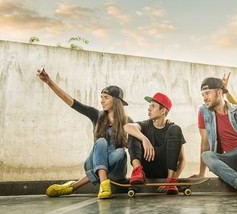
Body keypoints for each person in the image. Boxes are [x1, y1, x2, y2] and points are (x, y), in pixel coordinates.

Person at [37, 67, 132, 199]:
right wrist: (49, 82)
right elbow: (72, 102)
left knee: (121, 152)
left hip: (116, 170)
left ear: (116, 101)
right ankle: (104, 183)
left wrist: (164, 121)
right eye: (101, 97)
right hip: (93, 163)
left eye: (106, 97)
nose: (102, 101)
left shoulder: (127, 121)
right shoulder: (96, 115)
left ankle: (72, 187)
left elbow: (145, 131)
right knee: (101, 141)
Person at [124, 92, 186, 194]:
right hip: (146, 171)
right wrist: (144, 138)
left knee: (175, 128)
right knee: (133, 131)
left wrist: (169, 181)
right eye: (149, 106)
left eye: (153, 106)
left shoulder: (173, 129)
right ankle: (137, 171)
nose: (149, 109)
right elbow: (127, 127)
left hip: (165, 172)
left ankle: (171, 181)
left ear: (163, 111)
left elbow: (182, 160)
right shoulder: (145, 125)